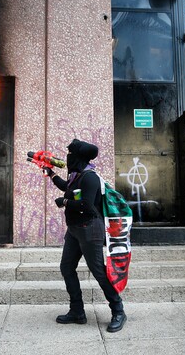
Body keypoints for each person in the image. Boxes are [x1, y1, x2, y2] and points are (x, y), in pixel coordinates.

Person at [43, 139, 127, 332]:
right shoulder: (77, 175)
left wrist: (64, 202)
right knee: (66, 267)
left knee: (98, 270)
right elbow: (67, 187)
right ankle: (77, 311)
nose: (68, 158)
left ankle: (118, 310)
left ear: (79, 158)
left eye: (71, 155)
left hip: (90, 229)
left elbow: (87, 205)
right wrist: (51, 173)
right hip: (74, 229)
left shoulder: (90, 177)